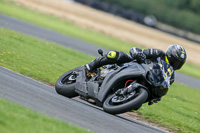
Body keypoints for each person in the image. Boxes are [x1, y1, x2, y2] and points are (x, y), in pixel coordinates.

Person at [86, 44, 187, 85]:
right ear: (169, 55)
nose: (176, 64)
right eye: (175, 60)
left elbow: (162, 87)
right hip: (133, 65)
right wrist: (138, 54)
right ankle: (91, 66)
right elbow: (135, 49)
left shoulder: (171, 76)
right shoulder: (158, 53)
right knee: (114, 55)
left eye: (179, 63)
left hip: (143, 80)